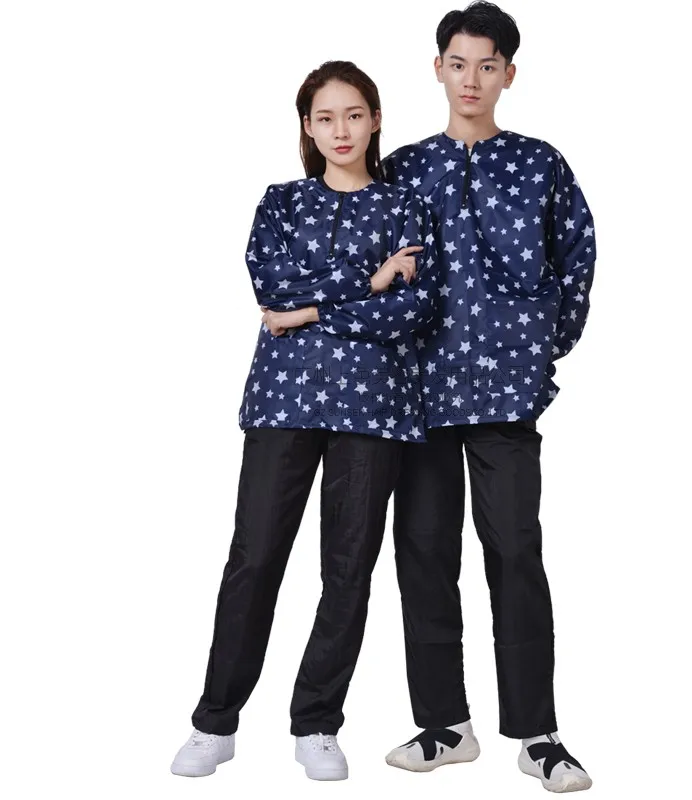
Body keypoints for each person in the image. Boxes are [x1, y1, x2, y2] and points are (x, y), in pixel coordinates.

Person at [170, 60, 438, 782]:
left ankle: (317, 722)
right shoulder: (282, 202)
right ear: (308, 128)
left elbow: (414, 309)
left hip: (374, 409)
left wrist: (308, 314)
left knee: (348, 569)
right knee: (254, 557)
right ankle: (215, 721)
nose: (340, 130)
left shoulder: (407, 206)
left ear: (375, 121)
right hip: (282, 403)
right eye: (325, 117)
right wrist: (369, 280)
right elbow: (271, 287)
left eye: (354, 114)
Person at [380, 2, 596, 793]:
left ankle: (537, 734)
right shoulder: (402, 168)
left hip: (507, 392)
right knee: (424, 554)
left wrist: (541, 346)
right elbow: (371, 264)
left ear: (508, 74)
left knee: (515, 553)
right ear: (437, 68)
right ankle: (446, 724)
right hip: (419, 392)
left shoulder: (539, 164)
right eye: (458, 63)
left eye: (488, 65)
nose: (471, 79)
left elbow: (577, 254)